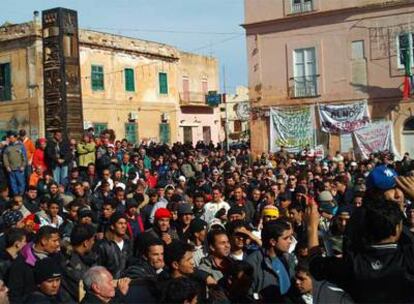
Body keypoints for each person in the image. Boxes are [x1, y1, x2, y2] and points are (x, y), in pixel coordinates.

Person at [246, 219, 296, 303]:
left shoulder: (289, 259)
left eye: (290, 237)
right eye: (286, 238)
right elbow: (248, 294)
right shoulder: (253, 262)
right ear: (273, 241)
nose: (290, 241)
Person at [8, 226, 60, 303]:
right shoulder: (21, 264)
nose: (58, 244)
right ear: (43, 241)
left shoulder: (56, 257)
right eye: (54, 241)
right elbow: (15, 295)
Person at [62, 224, 96, 302]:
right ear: (86, 243)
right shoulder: (70, 264)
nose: (94, 242)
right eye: (93, 240)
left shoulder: (90, 258)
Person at [95, 212, 133, 279]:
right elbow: (98, 268)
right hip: (109, 284)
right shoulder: (103, 246)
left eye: (125, 223)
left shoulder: (129, 243)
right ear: (112, 226)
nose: (123, 226)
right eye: (120, 223)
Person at [3, 131, 27, 196]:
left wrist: (23, 166)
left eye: (11, 138)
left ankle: (21, 195)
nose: (10, 139)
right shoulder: (7, 147)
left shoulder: (21, 146)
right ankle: (15, 195)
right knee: (13, 183)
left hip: (19, 169)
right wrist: (7, 166)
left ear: (15, 138)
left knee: (21, 183)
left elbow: (24, 157)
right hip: (11, 169)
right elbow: (5, 157)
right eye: (9, 138)